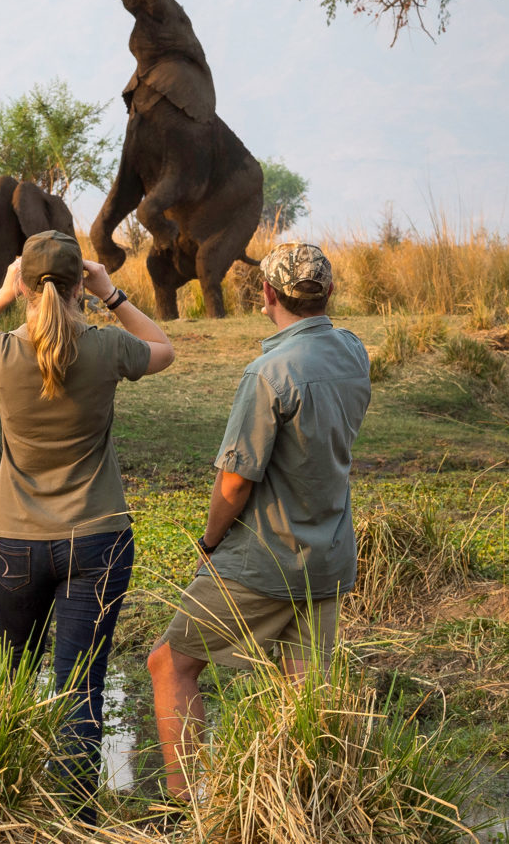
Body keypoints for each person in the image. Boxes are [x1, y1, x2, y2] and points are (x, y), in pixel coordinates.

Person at [0, 230, 174, 802]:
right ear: (78, 287)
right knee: (81, 687)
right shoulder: (107, 349)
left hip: (17, 541)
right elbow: (164, 349)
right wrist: (113, 294)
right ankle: (75, 815)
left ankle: (2, 799)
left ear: (25, 286)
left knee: (13, 676)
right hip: (98, 540)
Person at [146, 242, 371, 800]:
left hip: (264, 559)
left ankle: (188, 803)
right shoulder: (353, 352)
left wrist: (209, 540)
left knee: (168, 666)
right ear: (329, 293)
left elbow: (235, 482)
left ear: (267, 294)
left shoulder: (269, 372)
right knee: (305, 697)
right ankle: (305, 809)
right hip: (329, 555)